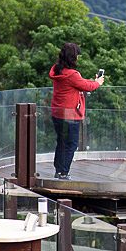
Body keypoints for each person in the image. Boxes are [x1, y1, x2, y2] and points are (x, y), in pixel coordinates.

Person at [49, 42, 104, 179]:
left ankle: (59, 170)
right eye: (77, 56)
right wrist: (97, 83)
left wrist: (92, 81)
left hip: (57, 111)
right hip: (70, 114)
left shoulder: (56, 69)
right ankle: (64, 172)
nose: (78, 58)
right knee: (71, 144)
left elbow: (79, 83)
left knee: (61, 141)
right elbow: (86, 86)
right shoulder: (72, 74)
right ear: (73, 57)